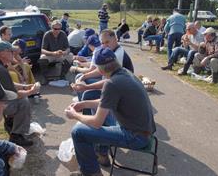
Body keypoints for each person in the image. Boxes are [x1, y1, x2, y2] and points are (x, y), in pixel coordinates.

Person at [65, 47, 156, 176]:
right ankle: (102, 154)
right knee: (90, 98)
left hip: (135, 136)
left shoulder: (112, 84)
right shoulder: (124, 72)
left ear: (100, 70)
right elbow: (106, 100)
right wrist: (83, 104)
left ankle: (92, 173)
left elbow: (97, 122)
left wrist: (75, 115)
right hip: (144, 130)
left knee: (78, 132)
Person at [0, 40, 38, 146]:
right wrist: (31, 92)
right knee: (23, 102)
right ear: (1, 53)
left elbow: (9, 84)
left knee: (20, 99)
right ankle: (16, 135)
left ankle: (10, 123)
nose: (14, 53)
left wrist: (25, 86)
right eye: (11, 51)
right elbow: (14, 94)